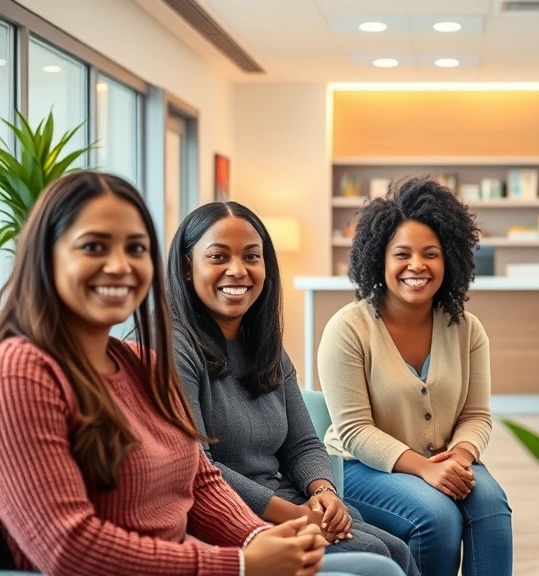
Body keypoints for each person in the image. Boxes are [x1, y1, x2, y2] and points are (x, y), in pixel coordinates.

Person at [0, 171, 329, 576]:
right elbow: (68, 547)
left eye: (135, 248)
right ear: (46, 257)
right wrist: (240, 564)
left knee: (372, 566)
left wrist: (256, 537)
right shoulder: (20, 372)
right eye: (93, 246)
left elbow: (201, 482)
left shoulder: (144, 364)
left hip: (194, 557)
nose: (120, 266)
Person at [167, 201, 417, 576]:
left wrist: (324, 494)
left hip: (287, 500)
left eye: (252, 256)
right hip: (225, 515)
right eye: (218, 257)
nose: (237, 270)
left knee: (394, 549)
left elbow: (302, 443)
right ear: (188, 267)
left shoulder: (264, 344)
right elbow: (199, 468)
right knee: (378, 555)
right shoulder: (173, 346)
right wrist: (298, 516)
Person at [318, 177, 514, 576]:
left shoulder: (467, 328)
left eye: (431, 254)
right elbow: (355, 430)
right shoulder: (347, 329)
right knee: (437, 516)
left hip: (445, 458)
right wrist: (426, 469)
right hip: (358, 467)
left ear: (451, 259)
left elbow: (477, 415)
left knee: (492, 509)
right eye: (402, 254)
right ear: (380, 259)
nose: (417, 266)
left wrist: (459, 457)